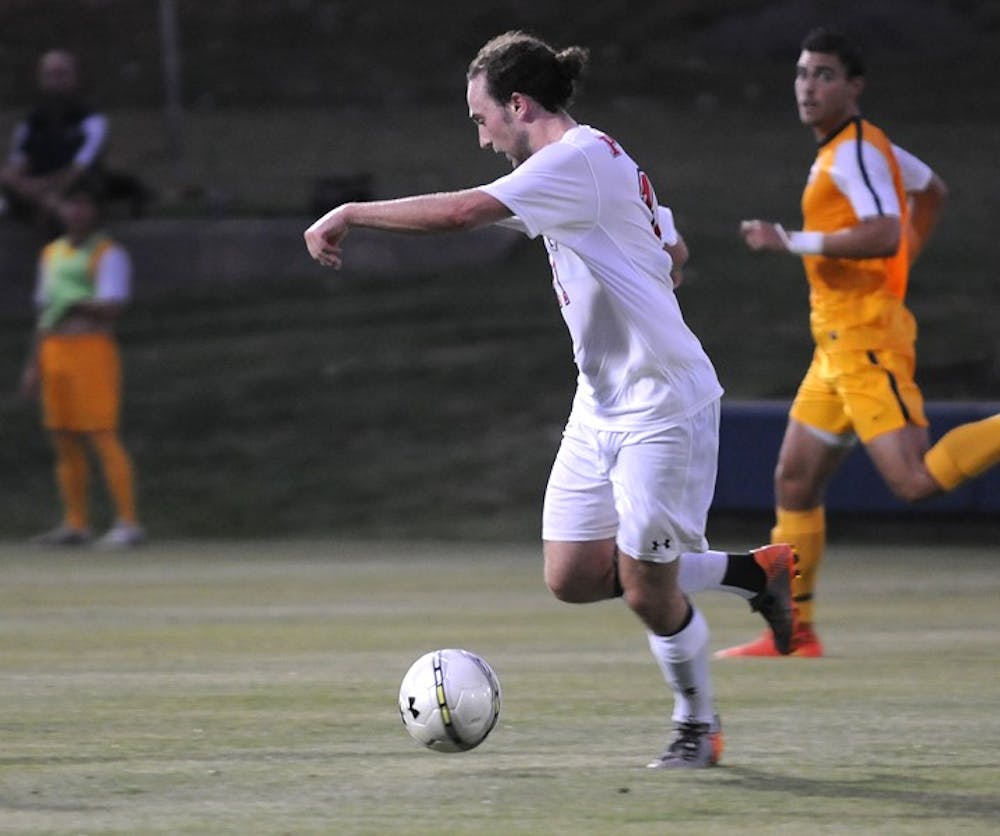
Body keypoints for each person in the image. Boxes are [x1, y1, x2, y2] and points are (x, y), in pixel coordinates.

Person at [305, 30, 798, 768]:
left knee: (645, 591)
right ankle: (754, 571)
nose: (481, 137)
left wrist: (350, 211)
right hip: (600, 403)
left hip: (663, 407)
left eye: (481, 119)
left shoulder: (573, 161)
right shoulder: (589, 163)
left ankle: (698, 725)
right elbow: (676, 249)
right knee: (571, 577)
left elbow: (458, 214)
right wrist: (644, 266)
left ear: (518, 103)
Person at [729, 27, 1000, 658]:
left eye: (824, 75)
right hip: (836, 346)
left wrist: (791, 240)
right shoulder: (861, 147)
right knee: (794, 481)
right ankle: (795, 633)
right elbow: (932, 193)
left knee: (912, 482)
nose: (808, 86)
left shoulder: (851, 154)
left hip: (865, 341)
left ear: (854, 87)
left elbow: (882, 233)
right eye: (802, 73)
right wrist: (897, 270)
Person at [19, 176, 146, 548]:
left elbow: (110, 307)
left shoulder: (106, 253)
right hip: (55, 349)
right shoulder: (52, 254)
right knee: (62, 436)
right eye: (70, 204)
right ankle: (76, 522)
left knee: (101, 433)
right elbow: (45, 312)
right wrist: (34, 365)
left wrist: (75, 301)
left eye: (84, 204)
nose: (76, 211)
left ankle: (127, 522)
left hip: (91, 349)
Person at [0, 49, 148, 235]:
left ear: (74, 77)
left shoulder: (91, 119)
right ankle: (56, 210)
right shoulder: (31, 121)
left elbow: (80, 168)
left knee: (82, 193)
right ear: (41, 80)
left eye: (62, 74)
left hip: (73, 186)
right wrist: (24, 183)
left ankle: (56, 214)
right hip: (40, 193)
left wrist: (43, 187)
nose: (56, 81)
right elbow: (17, 165)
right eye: (50, 75)